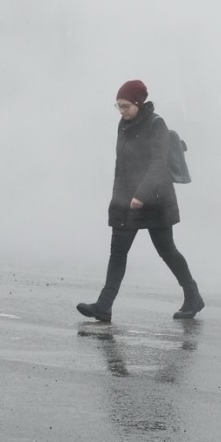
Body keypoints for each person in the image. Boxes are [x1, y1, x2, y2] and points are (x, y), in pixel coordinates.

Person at [77, 79, 204, 322]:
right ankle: (104, 306)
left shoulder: (156, 125)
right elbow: (121, 166)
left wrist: (141, 195)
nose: (122, 111)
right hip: (127, 200)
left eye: (125, 106)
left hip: (154, 199)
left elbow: (158, 165)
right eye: (118, 106)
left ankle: (193, 296)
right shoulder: (122, 125)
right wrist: (118, 199)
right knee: (118, 251)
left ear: (138, 103)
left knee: (167, 251)